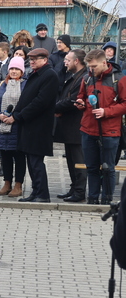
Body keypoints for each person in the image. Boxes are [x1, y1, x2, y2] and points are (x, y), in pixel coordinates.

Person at [75, 49, 126, 204]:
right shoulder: (87, 78)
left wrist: (106, 112)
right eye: (89, 67)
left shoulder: (119, 79)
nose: (91, 70)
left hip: (110, 131)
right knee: (91, 167)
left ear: (104, 62)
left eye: (94, 66)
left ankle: (107, 200)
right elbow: (81, 96)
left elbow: (125, 104)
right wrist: (80, 103)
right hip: (88, 129)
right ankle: (92, 199)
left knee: (108, 167)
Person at [10, 48, 59, 202]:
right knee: (31, 162)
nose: (32, 62)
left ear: (45, 60)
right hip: (29, 125)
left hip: (39, 126)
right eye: (30, 59)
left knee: (36, 162)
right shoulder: (35, 74)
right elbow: (25, 97)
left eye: (35, 59)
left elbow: (41, 102)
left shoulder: (49, 75)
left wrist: (20, 115)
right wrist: (16, 113)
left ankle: (42, 194)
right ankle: (35, 192)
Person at [52, 49, 90, 202]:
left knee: (79, 161)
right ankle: (74, 188)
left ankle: (80, 192)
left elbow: (73, 100)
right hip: (69, 126)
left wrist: (55, 108)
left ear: (76, 61)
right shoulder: (73, 76)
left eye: (68, 60)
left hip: (77, 127)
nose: (65, 63)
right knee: (71, 160)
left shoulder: (83, 78)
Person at [0, 57, 27, 197]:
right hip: (2, 126)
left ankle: (18, 185)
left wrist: (15, 117)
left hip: (18, 126)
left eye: (17, 69)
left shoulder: (25, 85)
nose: (14, 71)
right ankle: (7, 183)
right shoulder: (1, 85)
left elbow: (26, 104)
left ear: (22, 71)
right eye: (12, 69)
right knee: (5, 156)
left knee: (19, 156)